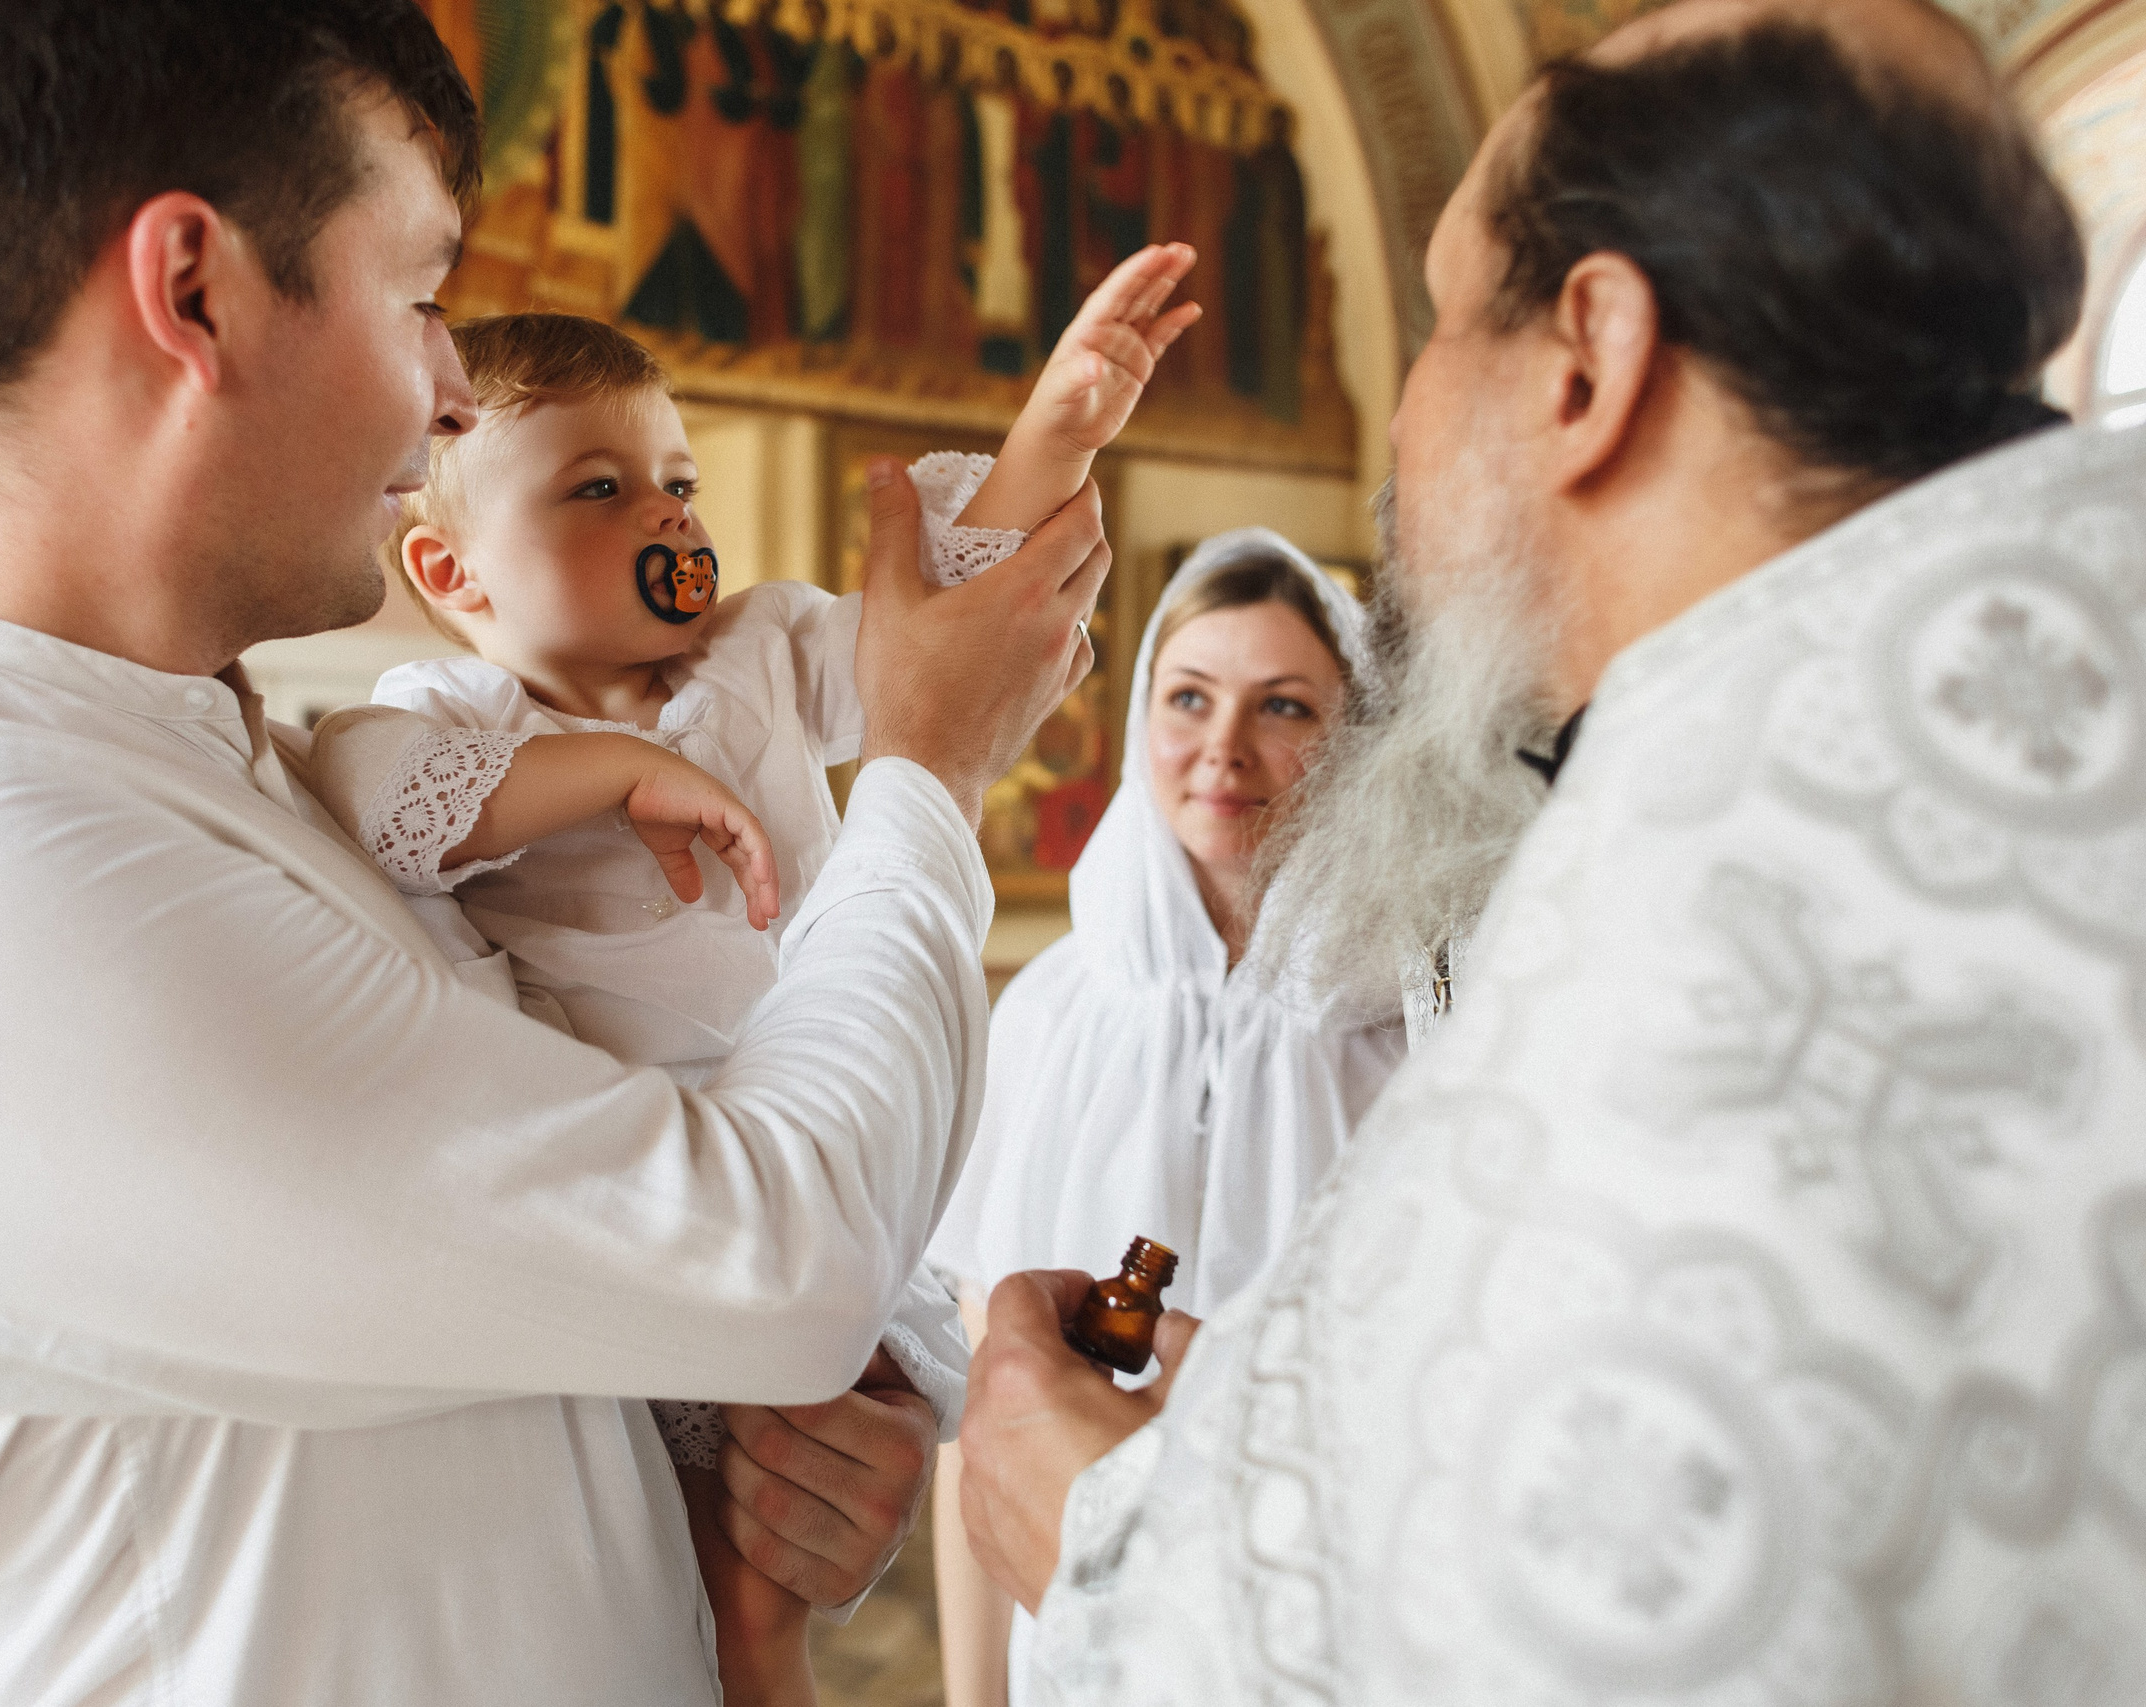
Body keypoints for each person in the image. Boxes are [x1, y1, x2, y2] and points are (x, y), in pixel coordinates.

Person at [0, 4, 1112, 1702]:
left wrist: (711, 1511)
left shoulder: (207, 750)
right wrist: (927, 765)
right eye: (423, 298)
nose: (455, 386)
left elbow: (480, 1304)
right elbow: (781, 1257)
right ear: (197, 291)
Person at [954, 3, 2146, 1701]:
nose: (1407, 419)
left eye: (1443, 322)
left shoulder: (1690, 955)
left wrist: (1103, 1539)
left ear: (1589, 359)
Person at [305, 259, 1195, 1703]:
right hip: (644, 1203)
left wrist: (1058, 438)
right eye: (595, 488)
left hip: (817, 1134)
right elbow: (374, 794)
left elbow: (938, 623)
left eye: (676, 478)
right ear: (453, 574)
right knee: (679, 1549)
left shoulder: (761, 650)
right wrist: (612, 772)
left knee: (790, 1525)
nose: (666, 510)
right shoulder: (457, 710)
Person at [922, 530, 1401, 1706]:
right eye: (1189, 697)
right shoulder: (1051, 1017)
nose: (1224, 750)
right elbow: (989, 1421)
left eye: (1283, 706)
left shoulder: (1402, 1026)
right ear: (1140, 719)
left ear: (1354, 745)